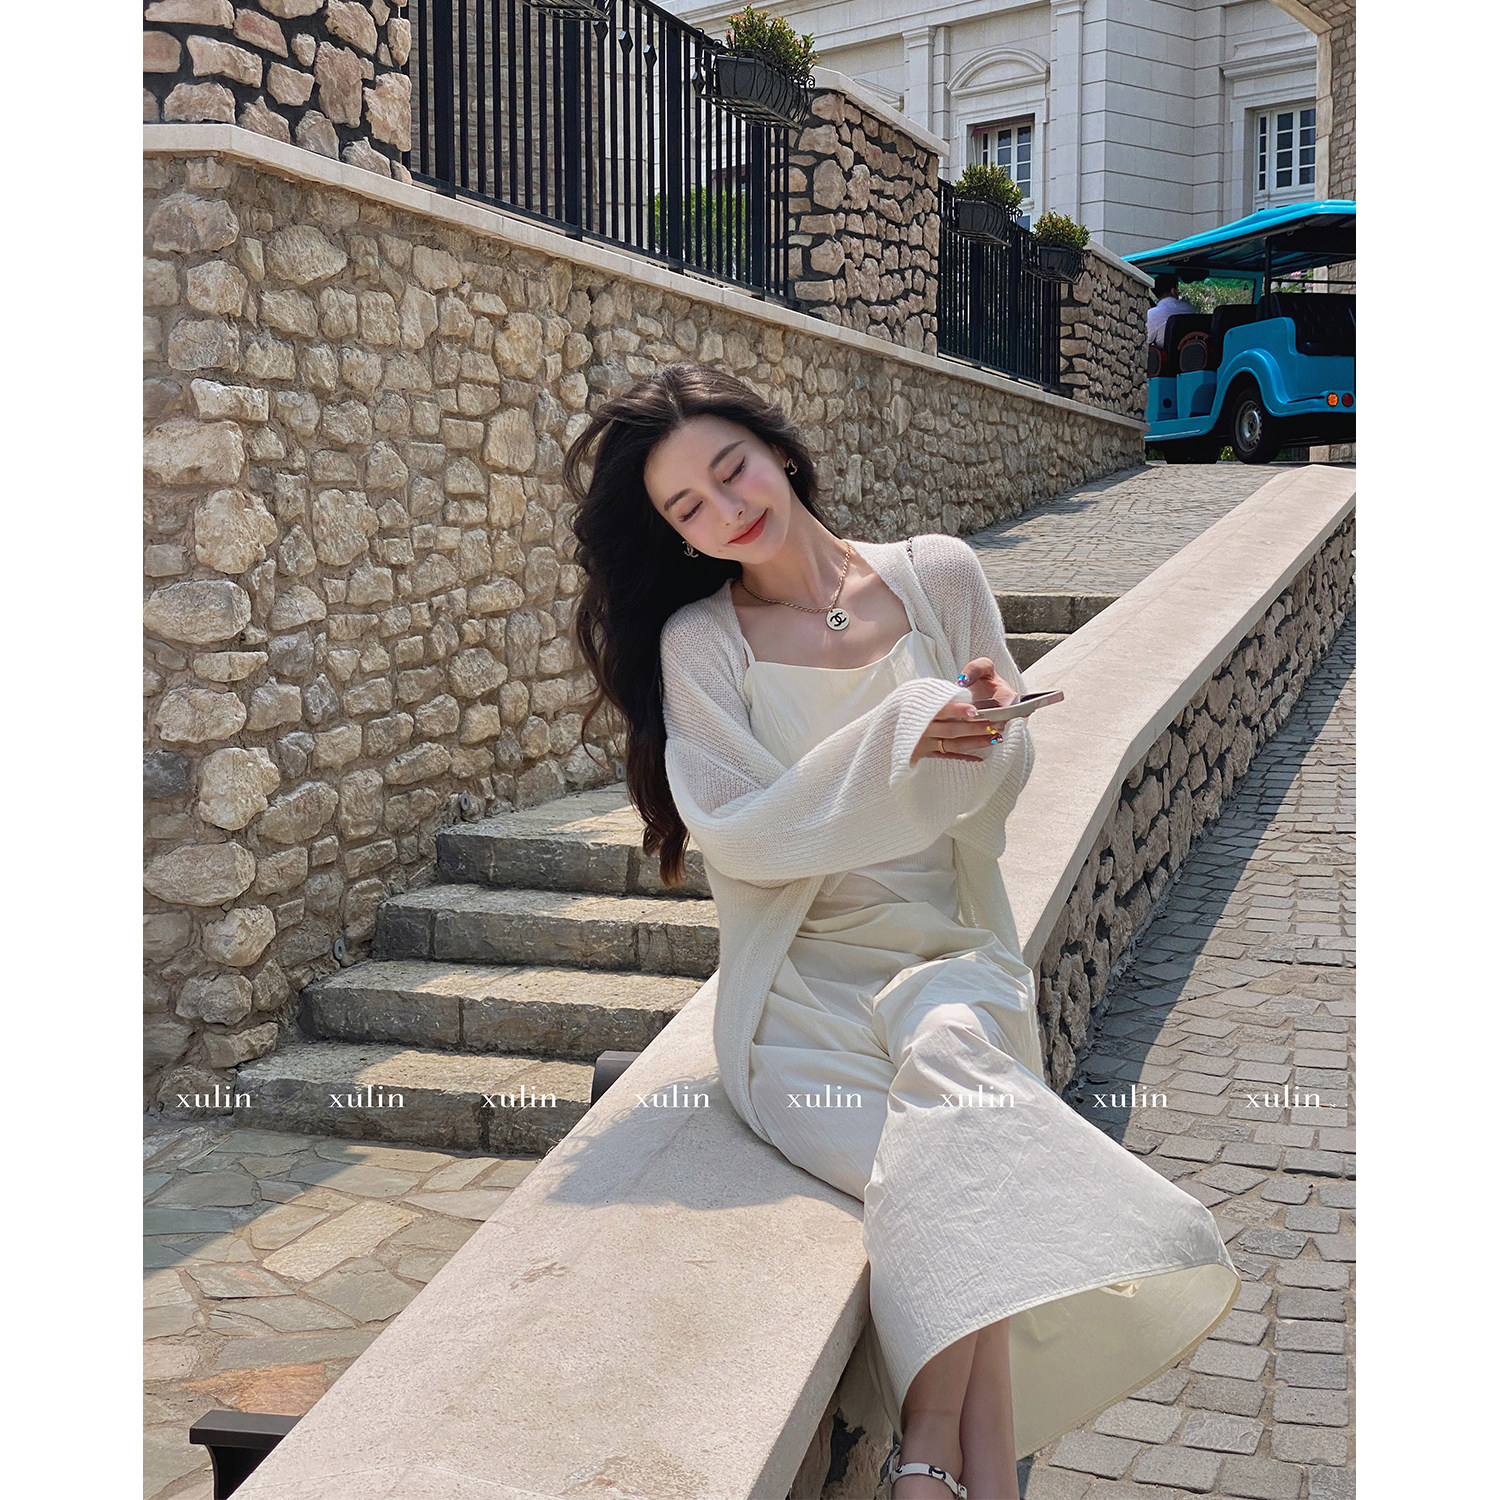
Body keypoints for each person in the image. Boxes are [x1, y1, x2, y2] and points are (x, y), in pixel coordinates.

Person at [564, 362, 1239, 1500]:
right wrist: (901, 733)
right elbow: (741, 835)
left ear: (779, 449)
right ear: (674, 535)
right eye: (689, 506)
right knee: (959, 1163)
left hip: (946, 950)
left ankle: (925, 1454)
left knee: (957, 1103)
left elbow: (1000, 785)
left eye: (732, 469)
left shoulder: (937, 574)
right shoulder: (701, 642)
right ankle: (976, 1466)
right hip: (798, 987)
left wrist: (982, 732)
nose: (727, 508)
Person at [1146, 273, 1196, 348]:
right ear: (1173, 291)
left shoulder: (1152, 314)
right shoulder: (1190, 308)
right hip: (1194, 351)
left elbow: (1145, 341)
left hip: (1168, 355)